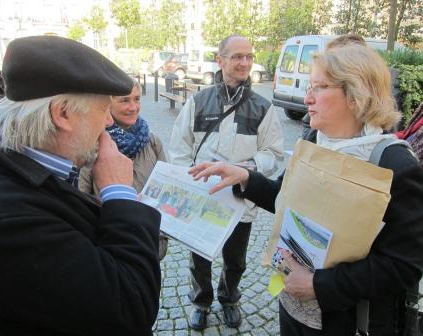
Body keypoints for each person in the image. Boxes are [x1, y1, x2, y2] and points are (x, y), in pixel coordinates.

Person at [189, 44, 423, 336]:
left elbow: (403, 265)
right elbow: (284, 198)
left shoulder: (394, 165)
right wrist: (245, 177)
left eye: (319, 87)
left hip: (345, 323)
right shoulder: (315, 142)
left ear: (356, 94)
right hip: (292, 309)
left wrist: (318, 286)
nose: (307, 97)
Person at [0, 36, 161, 336]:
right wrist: (119, 194)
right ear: (62, 114)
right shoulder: (13, 219)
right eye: (102, 109)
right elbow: (130, 305)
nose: (109, 122)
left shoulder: (27, 169)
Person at [168, 34, 284, 330]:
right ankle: (201, 301)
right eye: (236, 56)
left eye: (249, 56)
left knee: (236, 261)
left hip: (240, 201)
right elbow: (179, 148)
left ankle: (229, 298)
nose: (244, 62)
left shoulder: (263, 107)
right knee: (200, 260)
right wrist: (189, 183)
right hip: (203, 198)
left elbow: (273, 153)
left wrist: (248, 168)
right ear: (220, 60)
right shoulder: (197, 102)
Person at [79, 80, 168, 260]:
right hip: (111, 243)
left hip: (151, 239)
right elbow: (81, 200)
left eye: (137, 99)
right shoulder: (93, 146)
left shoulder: (152, 142)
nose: (133, 107)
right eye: (125, 100)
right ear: (108, 105)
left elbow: (167, 188)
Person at [301, 33, 366, 143]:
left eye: (322, 86)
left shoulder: (389, 155)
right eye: (311, 86)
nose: (307, 100)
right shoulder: (319, 136)